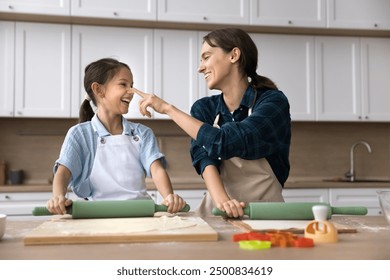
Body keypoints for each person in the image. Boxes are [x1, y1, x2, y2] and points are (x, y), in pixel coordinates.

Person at [134, 28, 291, 218]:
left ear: (234, 55)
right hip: (217, 209)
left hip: (266, 214)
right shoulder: (204, 108)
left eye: (206, 57)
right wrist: (223, 201)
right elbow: (203, 157)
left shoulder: (272, 103)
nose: (200, 68)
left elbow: (225, 141)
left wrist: (168, 109)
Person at [47, 58, 186, 215]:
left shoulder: (142, 133)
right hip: (97, 216)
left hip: (139, 215)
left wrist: (169, 197)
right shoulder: (79, 134)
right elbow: (63, 173)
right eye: (123, 84)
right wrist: (58, 197)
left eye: (131, 85)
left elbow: (157, 170)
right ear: (99, 90)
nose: (131, 91)